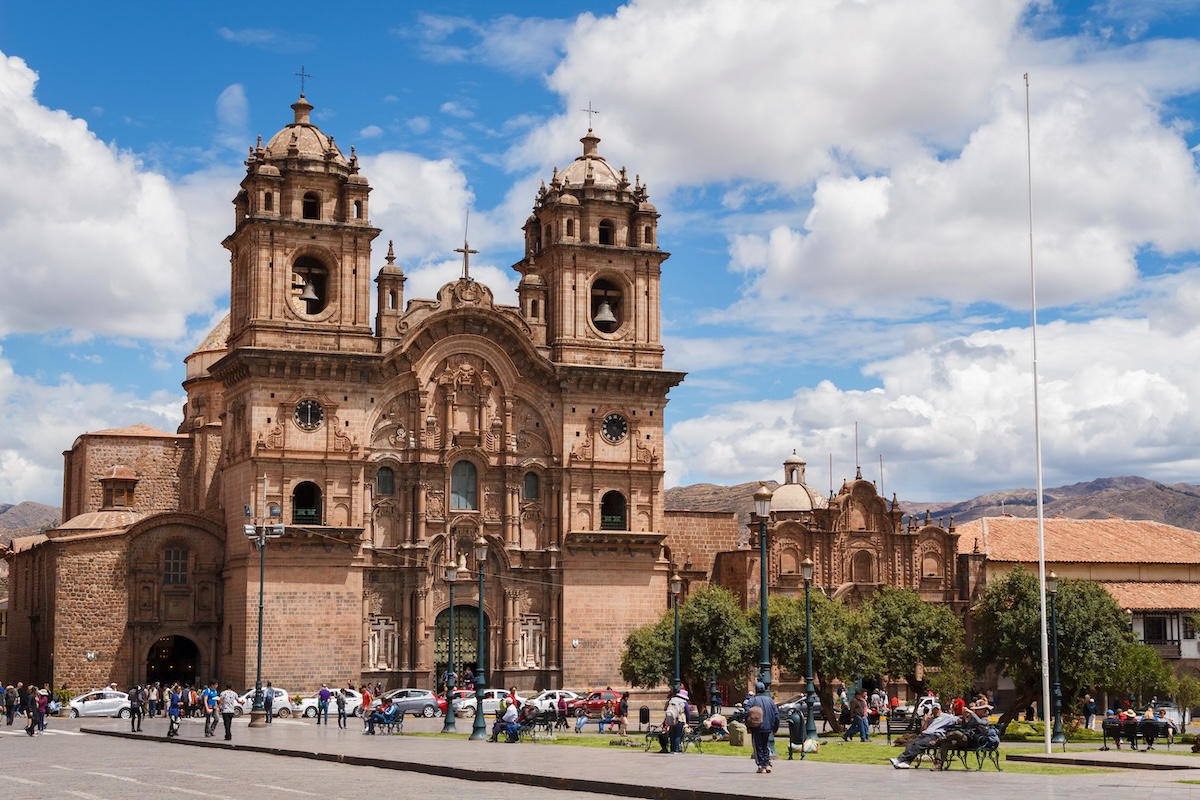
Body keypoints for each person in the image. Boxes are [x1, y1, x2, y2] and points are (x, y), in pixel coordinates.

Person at [890, 701, 958, 768]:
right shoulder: (931, 718)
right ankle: (906, 762)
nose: (936, 711)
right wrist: (926, 721)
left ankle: (899, 759)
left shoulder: (946, 717)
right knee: (910, 744)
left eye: (937, 709)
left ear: (940, 709)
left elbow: (958, 719)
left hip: (935, 736)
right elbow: (922, 731)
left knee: (918, 745)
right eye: (934, 709)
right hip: (924, 735)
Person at [744, 681, 779, 773]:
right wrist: (775, 727)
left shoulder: (752, 700)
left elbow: (746, 713)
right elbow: (776, 715)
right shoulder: (770, 701)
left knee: (758, 746)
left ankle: (762, 765)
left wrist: (748, 727)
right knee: (765, 745)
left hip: (757, 727)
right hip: (768, 727)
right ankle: (767, 764)